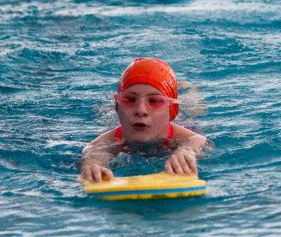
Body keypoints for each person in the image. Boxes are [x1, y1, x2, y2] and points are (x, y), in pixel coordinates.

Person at [80, 58, 208, 182]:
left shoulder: (184, 136)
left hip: (183, 122)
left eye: (155, 101)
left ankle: (188, 89)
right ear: (117, 106)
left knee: (193, 109)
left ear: (172, 110)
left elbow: (198, 141)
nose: (141, 110)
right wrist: (93, 165)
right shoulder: (109, 141)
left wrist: (187, 151)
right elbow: (93, 152)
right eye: (129, 99)